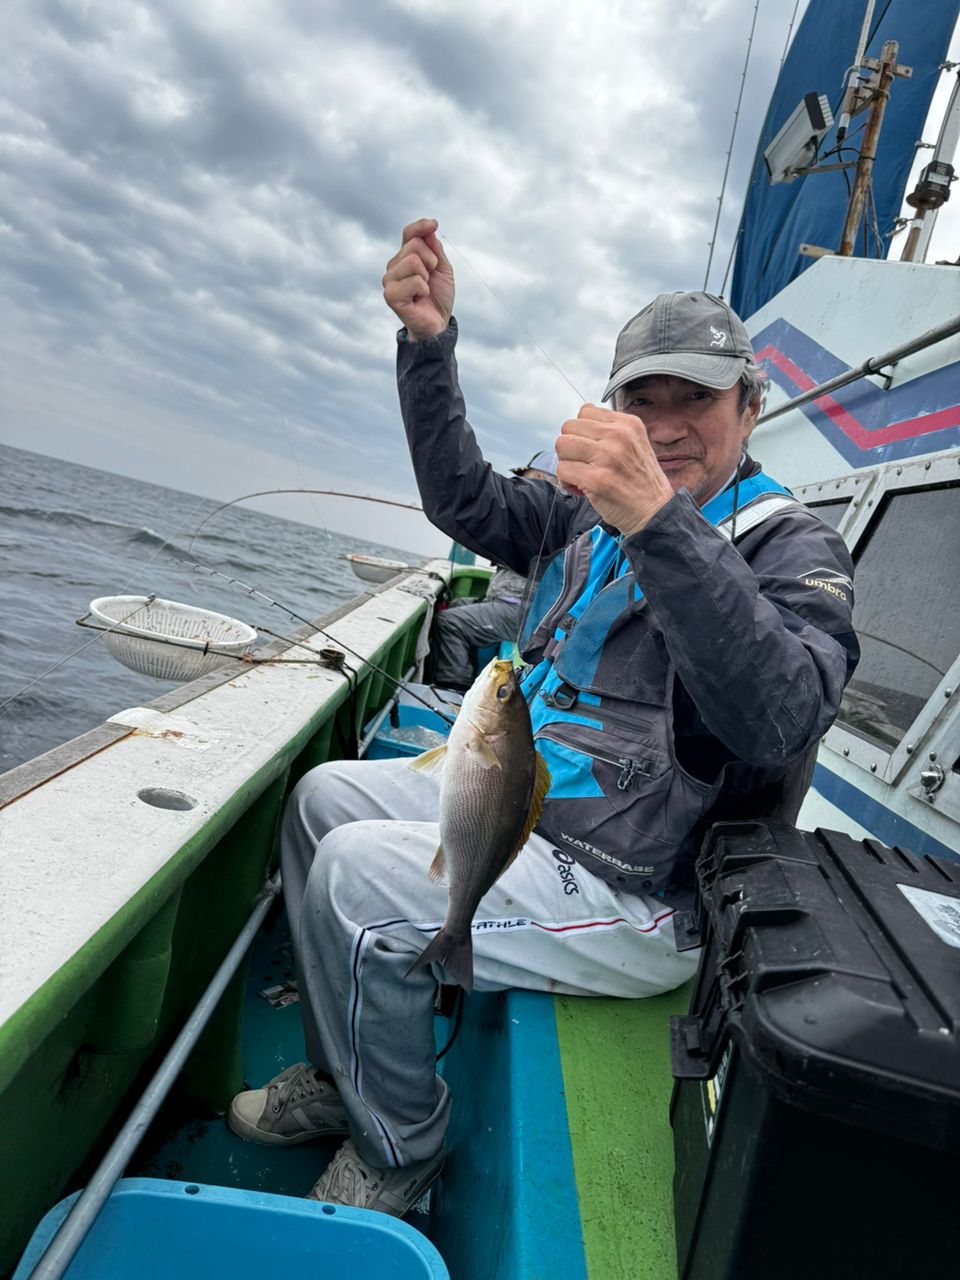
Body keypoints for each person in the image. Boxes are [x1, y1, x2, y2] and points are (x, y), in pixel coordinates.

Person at [228, 218, 859, 1217]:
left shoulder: (796, 547)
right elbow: (463, 498)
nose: (665, 427)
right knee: (320, 801)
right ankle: (343, 1074)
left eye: (695, 399)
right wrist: (428, 344)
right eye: (642, 401)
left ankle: (400, 1151)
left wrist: (660, 524)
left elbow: (777, 718)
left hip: (645, 884)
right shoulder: (582, 517)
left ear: (750, 404)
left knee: (356, 877)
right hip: (533, 804)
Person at [429, 449, 559, 691]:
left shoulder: (545, 517)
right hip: (511, 605)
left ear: (540, 477)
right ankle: (468, 677)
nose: (519, 483)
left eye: (525, 476)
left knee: (449, 622)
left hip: (520, 611)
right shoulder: (541, 517)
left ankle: (454, 687)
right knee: (455, 605)